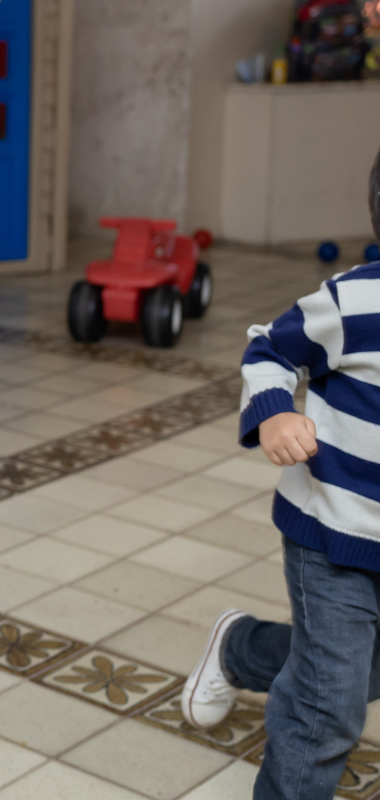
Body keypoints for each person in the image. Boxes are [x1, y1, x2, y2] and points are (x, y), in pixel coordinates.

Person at [180, 145, 380, 800]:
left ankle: (242, 648)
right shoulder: (354, 304)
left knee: (357, 669)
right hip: (335, 537)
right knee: (328, 708)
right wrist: (272, 415)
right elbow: (269, 346)